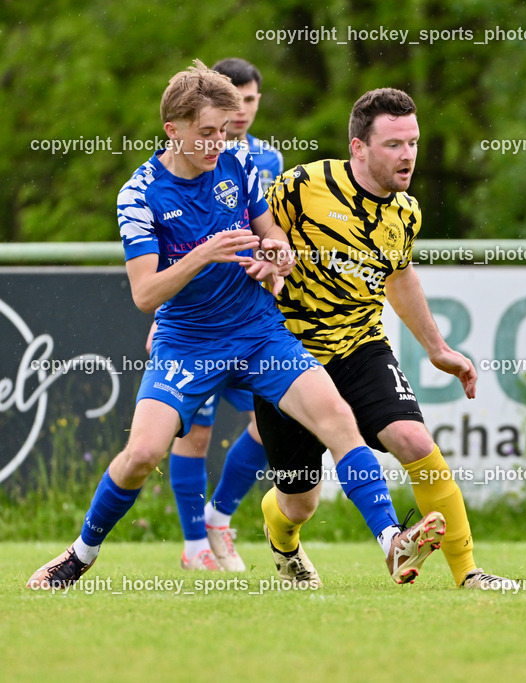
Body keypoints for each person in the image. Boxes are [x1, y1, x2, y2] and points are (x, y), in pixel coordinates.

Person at [27, 61, 442, 591]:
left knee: (339, 417)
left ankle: (391, 540)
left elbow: (272, 236)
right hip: (187, 342)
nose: (217, 144)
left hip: (258, 332)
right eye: (205, 134)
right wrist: (203, 253)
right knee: (142, 455)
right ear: (171, 130)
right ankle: (79, 555)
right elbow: (145, 293)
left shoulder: (240, 165)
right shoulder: (140, 195)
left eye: (223, 132)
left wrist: (277, 255)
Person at [255, 87, 517, 589]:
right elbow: (256, 228)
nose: (409, 155)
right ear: (359, 147)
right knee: (299, 499)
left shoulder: (405, 212)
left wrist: (437, 349)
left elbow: (398, 276)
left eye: (414, 143)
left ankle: (469, 574)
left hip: (359, 346)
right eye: (394, 144)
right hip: (285, 352)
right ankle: (280, 531)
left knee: (414, 440)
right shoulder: (302, 186)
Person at [160, 58, 284, 573]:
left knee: (271, 418)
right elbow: (167, 252)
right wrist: (162, 315)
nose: (245, 112)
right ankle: (194, 546)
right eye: (241, 100)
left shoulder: (264, 160)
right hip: (195, 324)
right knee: (196, 432)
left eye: (253, 101)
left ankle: (220, 516)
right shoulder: (183, 157)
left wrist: (278, 258)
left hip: (248, 317)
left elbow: (274, 232)